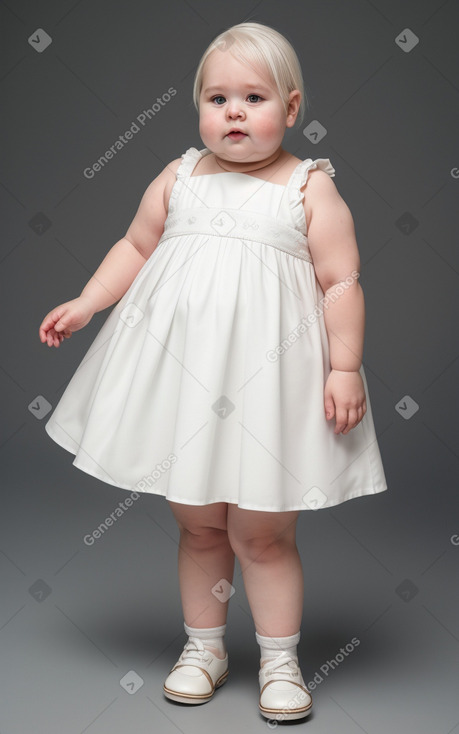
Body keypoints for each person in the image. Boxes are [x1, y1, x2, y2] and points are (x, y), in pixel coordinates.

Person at [38, 21, 388, 722]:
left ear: (290, 109)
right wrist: (88, 302)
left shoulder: (307, 187)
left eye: (253, 97)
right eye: (216, 97)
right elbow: (135, 246)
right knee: (199, 524)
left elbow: (340, 281)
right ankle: (204, 648)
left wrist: (344, 365)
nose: (232, 112)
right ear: (196, 106)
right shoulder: (179, 177)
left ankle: (281, 660)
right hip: (187, 382)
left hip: (272, 390)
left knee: (261, 531)